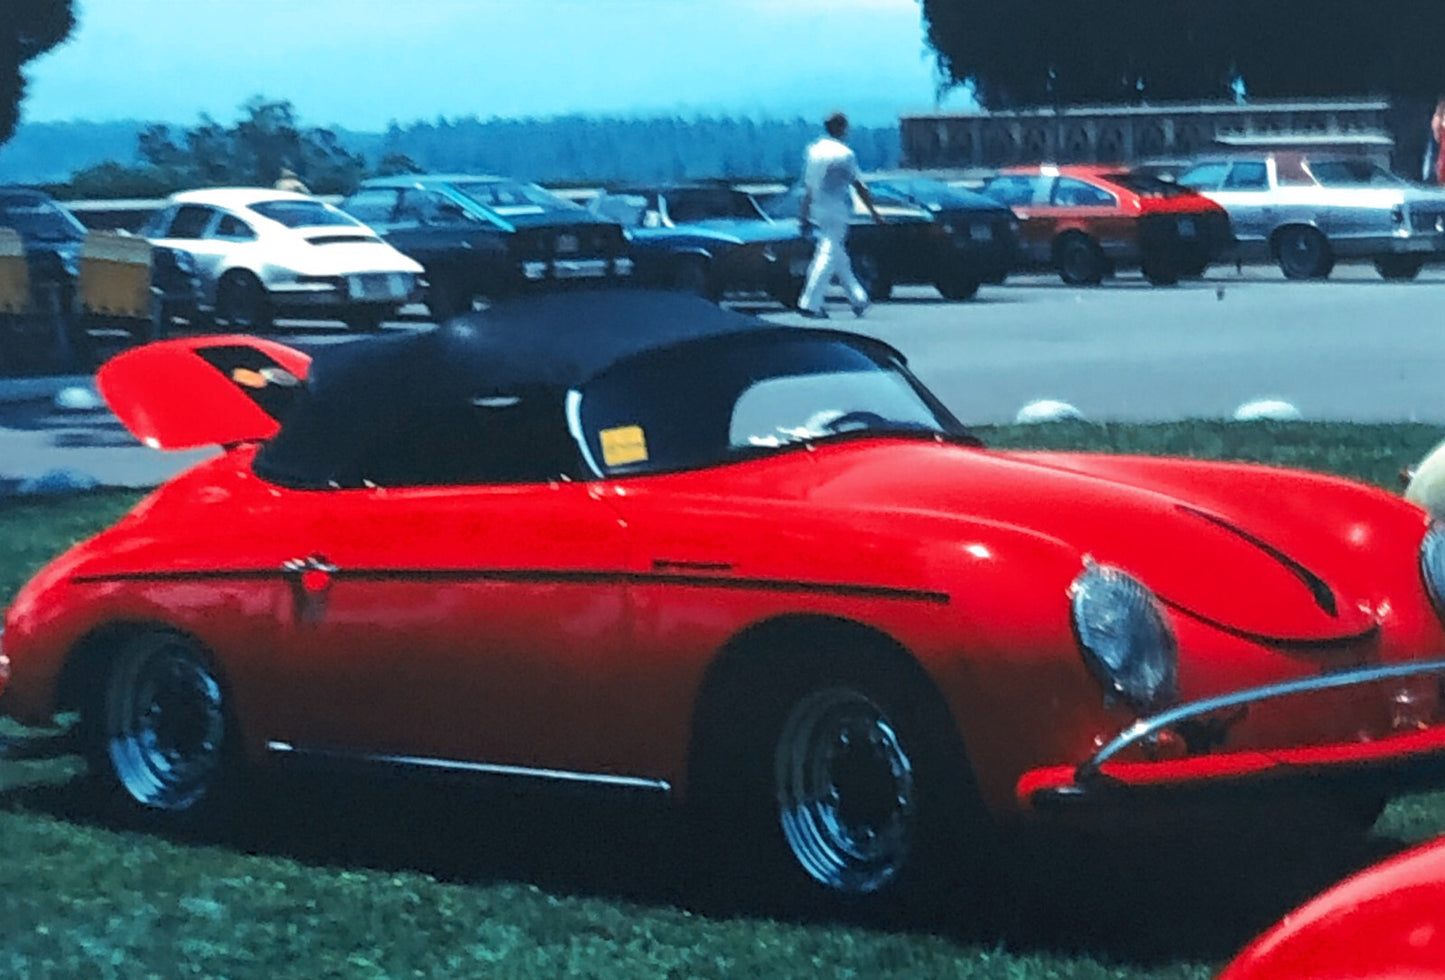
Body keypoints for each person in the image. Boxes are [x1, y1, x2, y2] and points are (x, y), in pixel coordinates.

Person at [796, 112, 882, 319]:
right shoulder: (844, 154)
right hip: (838, 209)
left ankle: (859, 299)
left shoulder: (814, 152)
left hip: (818, 208)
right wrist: (874, 212)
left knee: (838, 257)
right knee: (827, 254)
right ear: (842, 128)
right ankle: (810, 303)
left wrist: (804, 214)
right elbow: (859, 185)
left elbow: (809, 187)